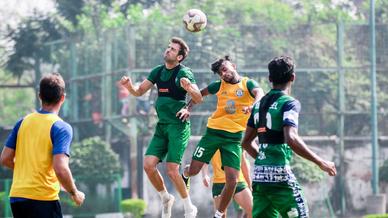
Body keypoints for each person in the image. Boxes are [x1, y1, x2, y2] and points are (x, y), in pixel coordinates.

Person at [241, 56, 337, 218]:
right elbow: (291, 138)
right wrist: (321, 162)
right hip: (281, 179)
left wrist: (265, 160)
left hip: (260, 178)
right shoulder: (289, 103)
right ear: (293, 77)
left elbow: (246, 143)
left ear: (270, 79)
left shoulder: (258, 105)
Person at [119, 37, 202, 218]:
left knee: (172, 170)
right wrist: (129, 86)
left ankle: (189, 207)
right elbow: (139, 91)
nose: (168, 50)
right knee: (148, 165)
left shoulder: (184, 73)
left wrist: (189, 88)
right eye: (168, 47)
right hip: (162, 126)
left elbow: (198, 98)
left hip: (178, 127)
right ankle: (166, 197)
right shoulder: (157, 71)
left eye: (172, 49)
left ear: (179, 57)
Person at [180, 55, 264, 218]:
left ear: (233, 66)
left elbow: (259, 92)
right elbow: (199, 94)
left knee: (232, 180)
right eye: (220, 73)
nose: (223, 74)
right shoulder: (219, 86)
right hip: (213, 133)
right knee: (194, 170)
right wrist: (188, 108)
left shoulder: (247, 84)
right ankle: (185, 174)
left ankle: (218, 215)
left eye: (225, 69)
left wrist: (254, 106)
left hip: (234, 138)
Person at [0, 73, 85, 218]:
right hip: (42, 199)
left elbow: (5, 159)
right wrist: (74, 193)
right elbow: (60, 168)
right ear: (63, 97)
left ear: (40, 96)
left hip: (17, 198)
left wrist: (28, 169)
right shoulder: (61, 127)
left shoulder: (22, 123)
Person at [201, 150, 253, 218]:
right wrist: (204, 174)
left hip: (238, 181)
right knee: (220, 216)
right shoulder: (212, 140)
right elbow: (205, 158)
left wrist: (249, 183)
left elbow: (243, 161)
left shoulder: (238, 140)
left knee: (253, 211)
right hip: (220, 183)